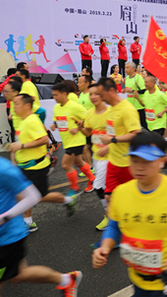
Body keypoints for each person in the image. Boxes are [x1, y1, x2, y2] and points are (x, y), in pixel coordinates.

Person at [92, 131, 167, 297]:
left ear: (162, 160)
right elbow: (114, 226)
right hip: (138, 281)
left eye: (147, 161)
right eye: (135, 160)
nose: (140, 167)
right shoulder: (120, 193)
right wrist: (105, 247)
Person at [0, 158, 82, 296]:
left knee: (15, 275)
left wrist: (4, 218)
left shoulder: (3, 169)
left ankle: (68, 200)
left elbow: (33, 196)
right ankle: (66, 280)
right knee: (18, 274)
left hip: (7, 236)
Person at [9, 93, 77, 232]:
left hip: (36, 167)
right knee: (23, 194)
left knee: (37, 196)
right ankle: (27, 221)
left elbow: (45, 140)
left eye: (16, 103)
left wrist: (21, 147)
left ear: (27, 105)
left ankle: (68, 200)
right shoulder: (23, 120)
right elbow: (21, 142)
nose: (13, 106)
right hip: (25, 166)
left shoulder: (32, 121)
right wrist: (14, 157)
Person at [97, 77, 142, 203]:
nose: (100, 98)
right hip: (113, 162)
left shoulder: (127, 109)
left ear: (111, 90)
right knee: (109, 197)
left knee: (132, 200)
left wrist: (112, 140)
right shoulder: (111, 108)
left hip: (127, 164)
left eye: (101, 94)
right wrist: (108, 146)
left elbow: (136, 134)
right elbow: (116, 133)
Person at [50, 83, 96, 195]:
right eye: (53, 95)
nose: (54, 97)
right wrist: (54, 125)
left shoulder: (75, 106)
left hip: (77, 141)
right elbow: (57, 119)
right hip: (67, 141)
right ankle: (93, 180)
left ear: (64, 94)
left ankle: (74, 187)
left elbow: (89, 118)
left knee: (66, 165)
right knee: (79, 162)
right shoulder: (56, 107)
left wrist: (78, 127)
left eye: (56, 95)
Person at [81, 84, 112, 231]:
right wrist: (81, 127)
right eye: (90, 94)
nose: (92, 96)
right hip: (97, 156)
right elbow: (88, 133)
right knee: (107, 187)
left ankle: (110, 217)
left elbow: (118, 135)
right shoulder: (90, 113)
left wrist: (108, 146)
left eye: (96, 94)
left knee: (99, 186)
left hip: (111, 156)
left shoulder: (111, 112)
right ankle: (114, 215)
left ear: (102, 95)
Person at [124, 62, 147, 129]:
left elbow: (144, 90)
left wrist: (132, 91)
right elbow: (128, 90)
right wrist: (125, 90)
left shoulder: (138, 78)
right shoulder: (127, 78)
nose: (125, 69)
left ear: (133, 69)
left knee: (143, 124)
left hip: (139, 106)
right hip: (130, 106)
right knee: (133, 124)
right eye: (125, 67)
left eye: (127, 67)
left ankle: (152, 137)